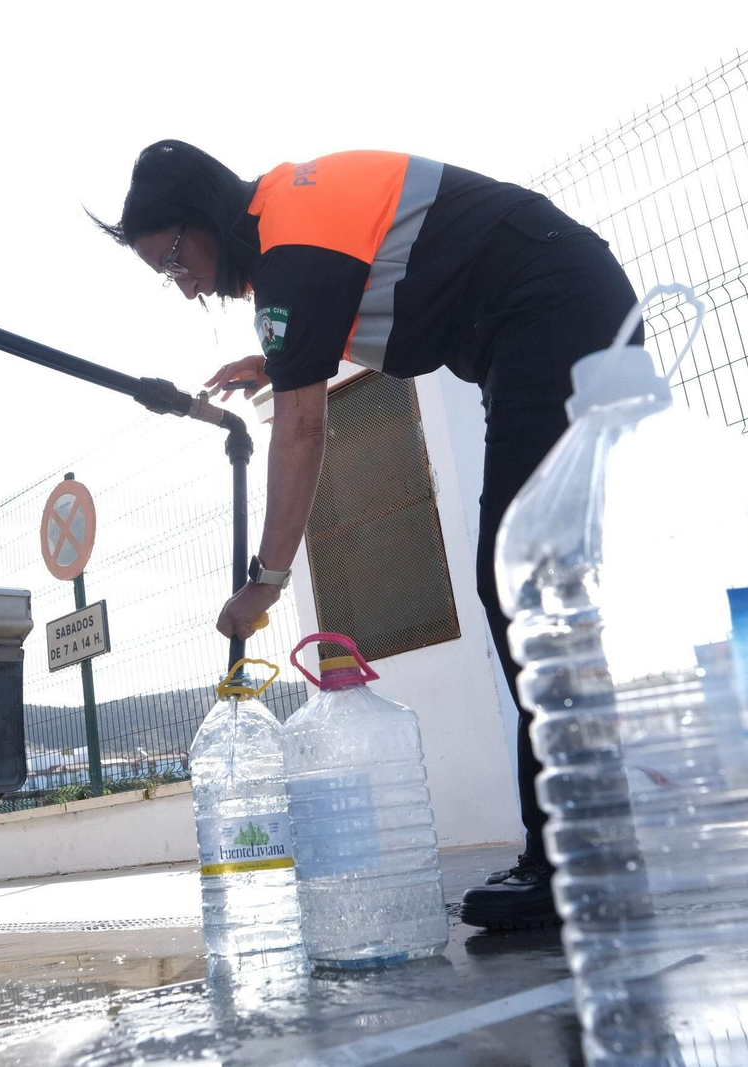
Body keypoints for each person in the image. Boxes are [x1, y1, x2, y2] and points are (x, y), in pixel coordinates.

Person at [93, 141, 642, 931]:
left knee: (520, 577)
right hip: (554, 305)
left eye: (175, 259)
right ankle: (586, 847)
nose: (183, 286)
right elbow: (349, 303)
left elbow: (303, 428)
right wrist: (275, 359)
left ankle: (574, 860)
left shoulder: (290, 242)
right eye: (165, 275)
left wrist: (266, 582)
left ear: (203, 213)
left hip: (552, 303)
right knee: (533, 579)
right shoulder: (288, 230)